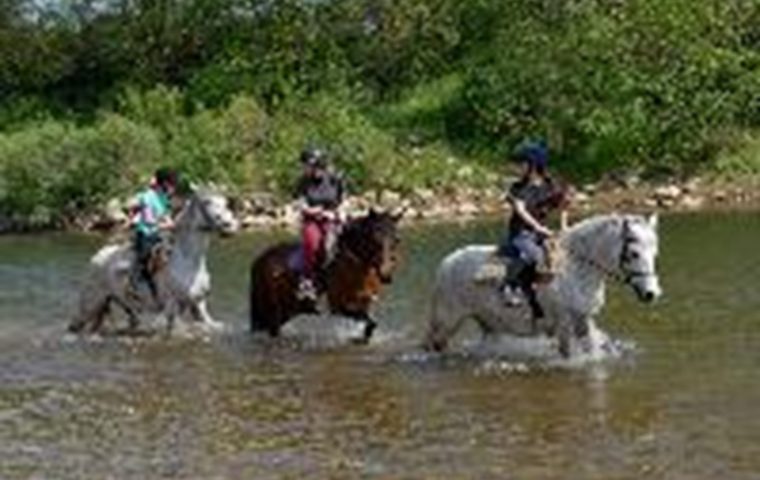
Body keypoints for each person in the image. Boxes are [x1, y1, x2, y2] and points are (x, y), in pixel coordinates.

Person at [499, 141, 569, 321]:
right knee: (533, 255)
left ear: (533, 166)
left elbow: (563, 205)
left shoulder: (551, 186)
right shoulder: (517, 188)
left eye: (521, 164)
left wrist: (563, 227)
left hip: (542, 234)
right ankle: (509, 287)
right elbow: (520, 211)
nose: (516, 168)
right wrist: (538, 228)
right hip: (521, 233)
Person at [294, 147, 346, 302]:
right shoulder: (303, 182)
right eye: (305, 166)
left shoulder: (335, 179)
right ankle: (307, 280)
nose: (306, 169)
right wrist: (314, 211)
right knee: (313, 243)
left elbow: (344, 199)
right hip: (312, 220)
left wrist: (340, 212)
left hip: (334, 218)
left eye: (308, 166)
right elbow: (300, 204)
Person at [129, 167, 179, 303]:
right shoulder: (147, 197)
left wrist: (170, 222)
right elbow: (149, 221)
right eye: (171, 184)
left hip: (160, 233)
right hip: (146, 233)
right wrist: (167, 225)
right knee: (145, 258)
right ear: (164, 184)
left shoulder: (163, 198)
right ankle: (134, 285)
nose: (173, 188)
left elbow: (165, 215)